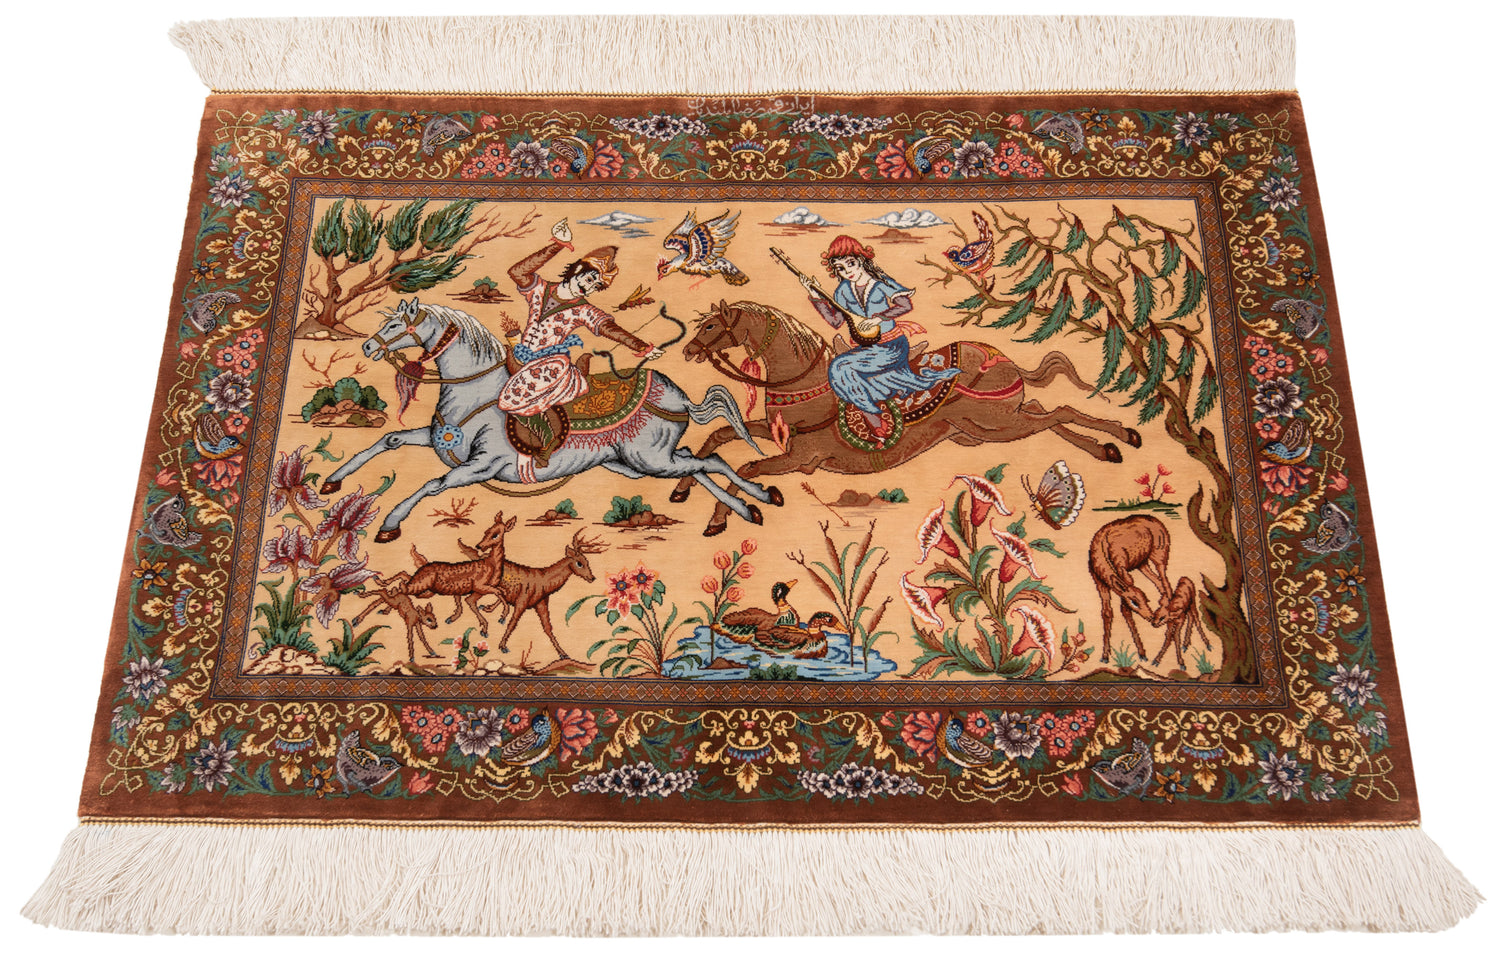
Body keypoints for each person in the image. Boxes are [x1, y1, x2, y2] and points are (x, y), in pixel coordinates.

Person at [498, 219, 662, 471]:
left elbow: (610, 329)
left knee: (521, 394)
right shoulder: (539, 289)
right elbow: (517, 272)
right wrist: (557, 245)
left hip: (551, 365)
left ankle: (546, 443)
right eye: (590, 278)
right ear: (577, 269)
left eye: (596, 286)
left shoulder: (584, 310)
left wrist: (642, 346)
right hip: (524, 354)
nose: (589, 286)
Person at [799, 235, 958, 438]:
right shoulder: (842, 291)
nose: (848, 271)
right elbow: (836, 322)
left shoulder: (881, 282)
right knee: (840, 369)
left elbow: (905, 305)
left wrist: (878, 319)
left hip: (892, 346)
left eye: (851, 263)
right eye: (840, 268)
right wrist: (815, 296)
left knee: (840, 367)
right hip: (865, 349)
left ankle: (872, 416)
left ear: (862, 260)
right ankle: (873, 410)